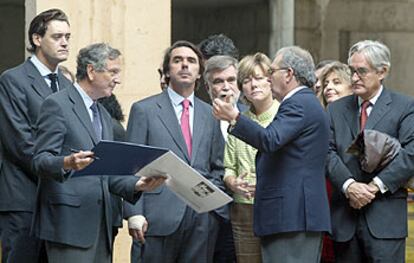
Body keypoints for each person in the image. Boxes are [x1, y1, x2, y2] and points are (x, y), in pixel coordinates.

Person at [31, 43, 165, 263]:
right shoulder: (57, 105)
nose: (117, 79)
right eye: (112, 72)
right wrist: (67, 162)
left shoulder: (103, 114)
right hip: (69, 226)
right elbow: (39, 160)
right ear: (92, 71)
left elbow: (107, 174)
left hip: (101, 225)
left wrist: (137, 185)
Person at [213, 46, 331, 263]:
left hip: (293, 216)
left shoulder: (299, 104)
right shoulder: (303, 102)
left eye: (271, 71)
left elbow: (270, 140)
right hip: (292, 215)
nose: (268, 78)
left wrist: (235, 117)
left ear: (288, 74)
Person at [125, 40, 227, 263]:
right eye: (177, 60)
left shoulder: (210, 114)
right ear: (167, 71)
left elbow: (218, 166)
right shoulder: (144, 110)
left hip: (201, 221)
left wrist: (211, 209)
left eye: (191, 61)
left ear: (199, 72)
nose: (184, 65)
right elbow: (130, 166)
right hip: (155, 219)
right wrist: (134, 213)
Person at [326, 40, 414, 262]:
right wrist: (349, 186)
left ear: (382, 71)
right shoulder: (336, 109)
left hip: (385, 221)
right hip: (344, 221)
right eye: (352, 71)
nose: (354, 78)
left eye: (361, 71)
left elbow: (410, 154)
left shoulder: (404, 106)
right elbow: (326, 152)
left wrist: (373, 188)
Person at [0, 8, 72, 263]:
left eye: (67, 36)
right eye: (57, 36)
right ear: (36, 39)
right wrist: (63, 166)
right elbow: (19, 143)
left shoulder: (67, 86)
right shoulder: (13, 79)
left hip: (61, 200)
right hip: (24, 198)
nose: (64, 42)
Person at [223, 52, 279, 263]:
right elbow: (228, 166)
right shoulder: (238, 120)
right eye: (246, 80)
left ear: (270, 80)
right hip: (243, 207)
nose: (253, 84)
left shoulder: (284, 114)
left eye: (258, 77)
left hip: (275, 206)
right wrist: (232, 182)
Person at [318, 61, 352, 263]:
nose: (329, 87)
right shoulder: (318, 117)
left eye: (337, 82)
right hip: (322, 199)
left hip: (348, 199)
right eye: (326, 83)